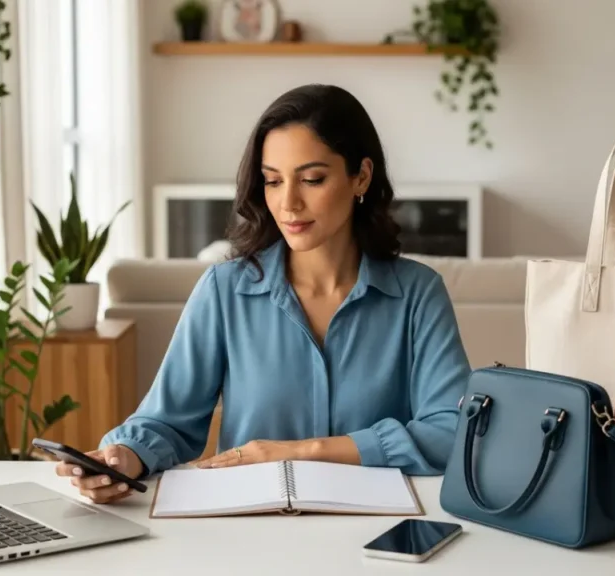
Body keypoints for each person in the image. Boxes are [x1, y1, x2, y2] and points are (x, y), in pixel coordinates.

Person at [55, 84, 472, 504]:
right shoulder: (224, 291)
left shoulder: (418, 293)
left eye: (312, 179)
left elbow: (452, 431)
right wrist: (123, 459)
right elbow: (167, 421)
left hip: (379, 536)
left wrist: (302, 452)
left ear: (361, 176)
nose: (288, 202)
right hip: (248, 531)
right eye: (273, 181)